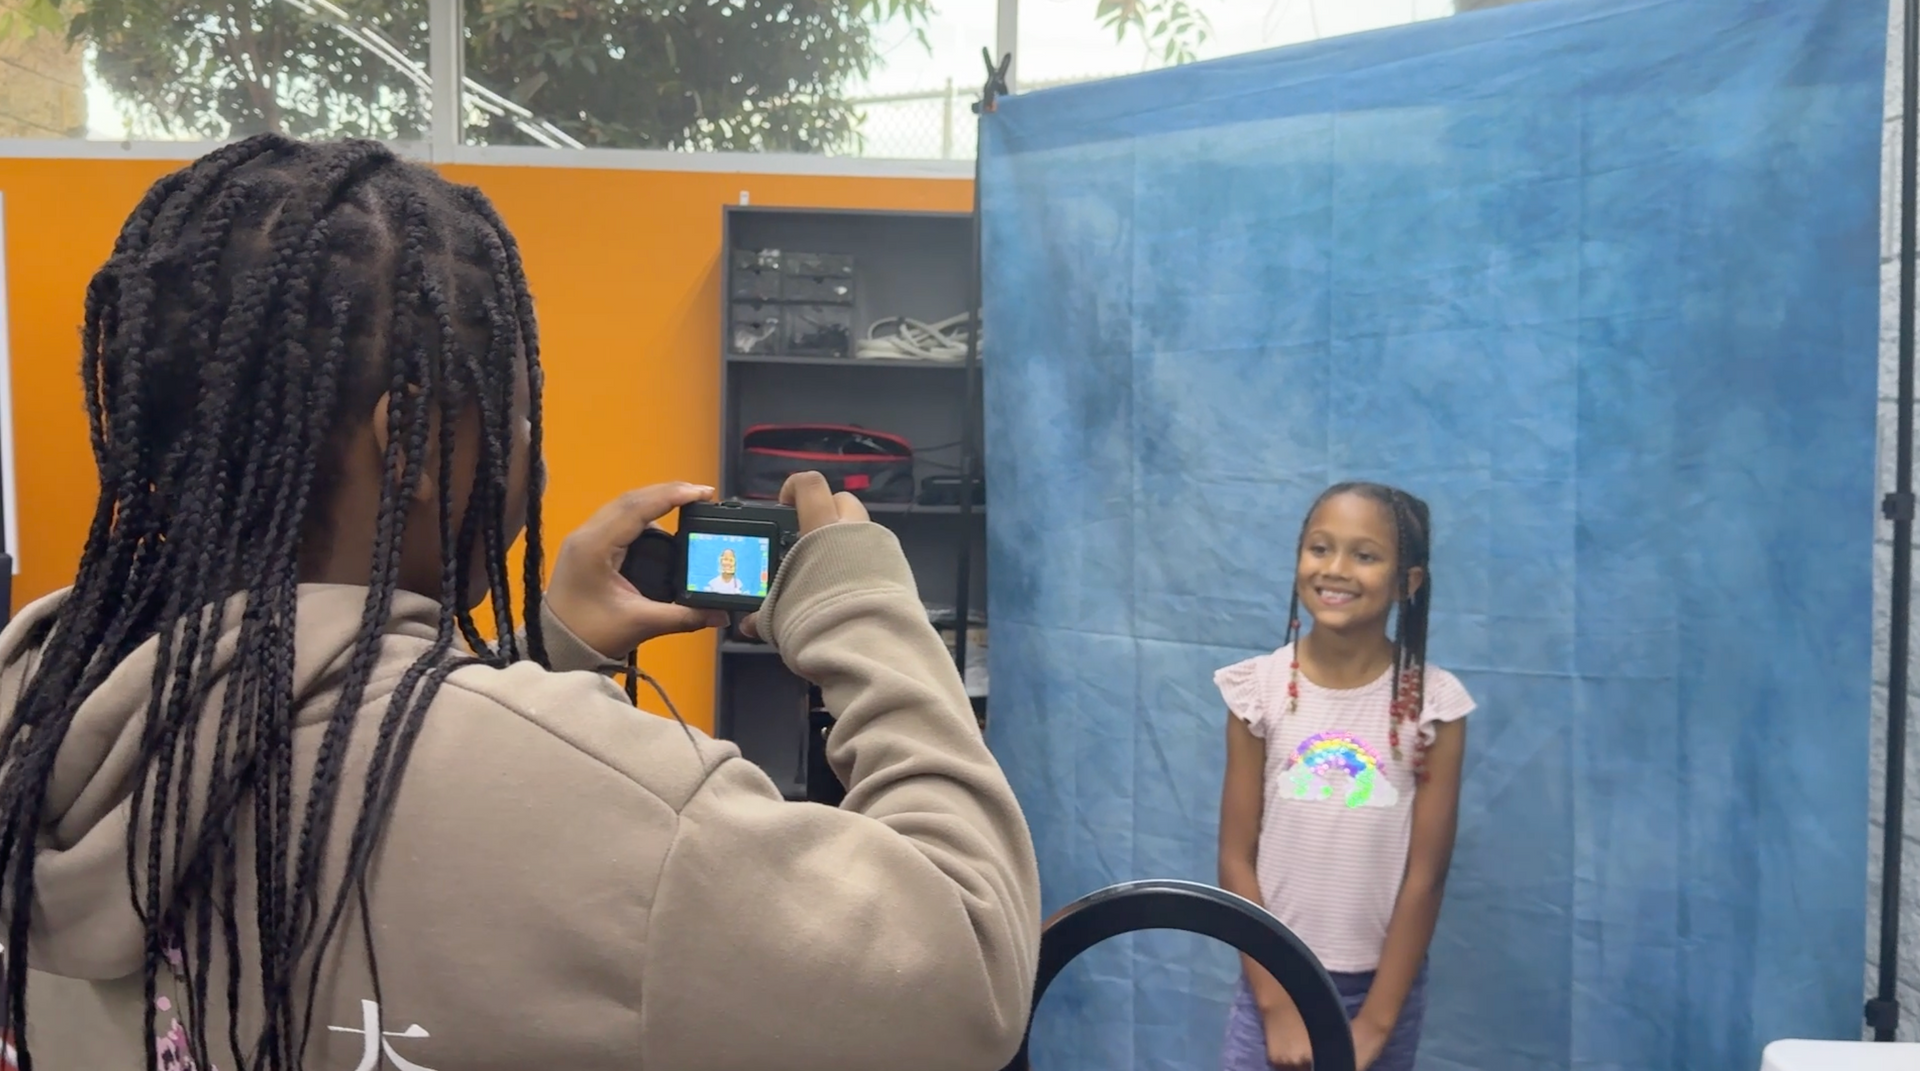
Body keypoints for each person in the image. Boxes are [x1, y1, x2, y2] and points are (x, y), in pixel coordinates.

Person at [0, 134, 1040, 1071]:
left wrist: (540, 654)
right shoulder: (635, 819)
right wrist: (864, 607)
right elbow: (966, 973)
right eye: (515, 419)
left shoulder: (39, 723)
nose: (529, 454)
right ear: (413, 445)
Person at [1214, 483, 1474, 1071]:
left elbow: (1427, 874)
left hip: (1380, 993)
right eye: (1320, 548)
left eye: (1364, 555)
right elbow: (1235, 857)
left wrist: (1376, 1022)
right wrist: (1276, 1006)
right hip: (1272, 981)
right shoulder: (1256, 691)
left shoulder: (1433, 706)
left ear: (1407, 582)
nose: (1335, 569)